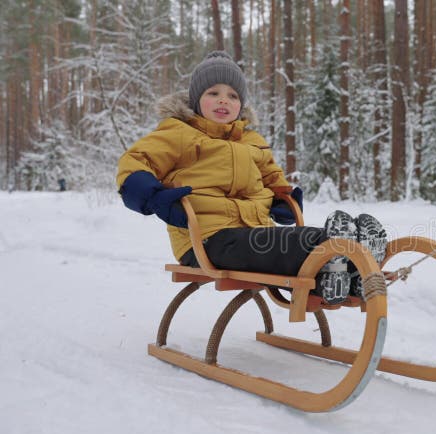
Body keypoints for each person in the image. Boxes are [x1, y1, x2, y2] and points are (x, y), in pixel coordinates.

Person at [116, 51, 386, 305]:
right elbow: (135, 162)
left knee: (298, 239)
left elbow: (271, 175)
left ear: (241, 105)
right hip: (207, 239)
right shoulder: (177, 133)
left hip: (254, 232)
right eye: (214, 93)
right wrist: (154, 197)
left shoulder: (252, 141)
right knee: (291, 245)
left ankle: (347, 272)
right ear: (196, 99)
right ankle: (337, 256)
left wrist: (283, 195)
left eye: (233, 96)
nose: (224, 100)